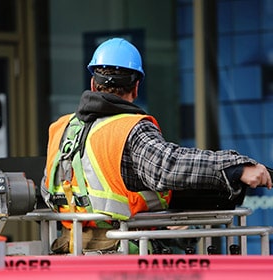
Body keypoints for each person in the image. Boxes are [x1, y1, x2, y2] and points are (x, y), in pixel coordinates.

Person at [41, 37, 272, 254]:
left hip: (70, 254)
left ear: (93, 83)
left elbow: (48, 189)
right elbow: (168, 166)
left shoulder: (61, 128)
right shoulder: (130, 129)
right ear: (136, 87)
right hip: (123, 257)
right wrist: (236, 167)